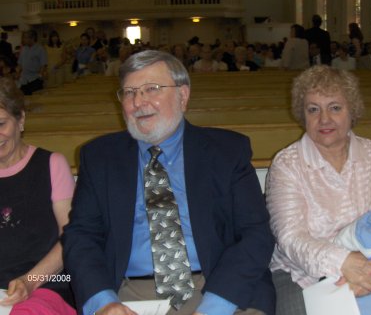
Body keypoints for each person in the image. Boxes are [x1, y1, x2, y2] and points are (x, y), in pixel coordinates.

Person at [62, 50, 275, 315]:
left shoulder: (227, 151)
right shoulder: (100, 157)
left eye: (152, 89)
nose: (139, 102)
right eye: (129, 92)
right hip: (130, 295)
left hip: (221, 287)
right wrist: (104, 302)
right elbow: (81, 237)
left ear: (183, 96)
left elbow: (256, 234)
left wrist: (215, 307)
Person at [265, 65, 371, 315]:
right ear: (303, 114)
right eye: (313, 109)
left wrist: (367, 271)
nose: (324, 120)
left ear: (352, 111)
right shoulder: (286, 164)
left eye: (335, 107)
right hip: (300, 274)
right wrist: (344, 263)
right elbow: (291, 238)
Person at [0, 77, 75, 314]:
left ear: (20, 119)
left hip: (50, 282)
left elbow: (71, 238)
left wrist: (30, 281)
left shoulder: (51, 165)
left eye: (1, 124)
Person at [17, 30, 48, 95]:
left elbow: (43, 64)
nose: (24, 39)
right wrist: (18, 73)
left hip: (35, 79)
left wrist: (40, 75)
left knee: (36, 99)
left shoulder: (40, 49)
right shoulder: (23, 49)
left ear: (32, 38)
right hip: (24, 79)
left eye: (26, 37)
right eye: (24, 37)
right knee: (24, 99)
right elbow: (20, 63)